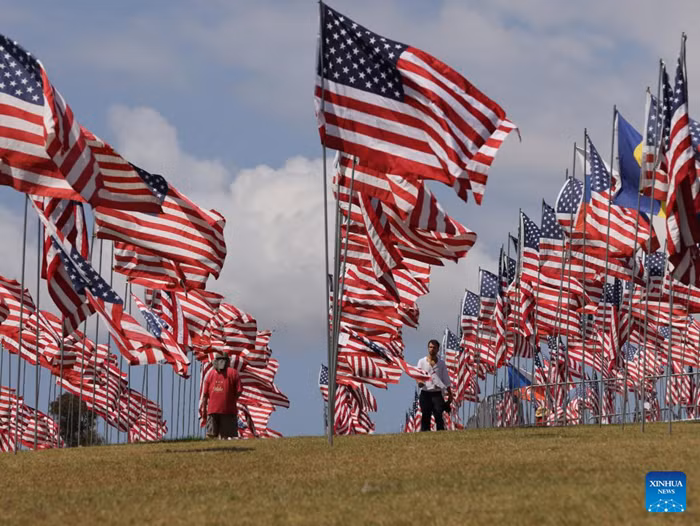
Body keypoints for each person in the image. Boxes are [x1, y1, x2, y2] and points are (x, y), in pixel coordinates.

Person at [202, 353, 243, 440]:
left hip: (213, 410)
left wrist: (204, 411)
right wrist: (232, 400)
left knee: (211, 436)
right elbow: (239, 391)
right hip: (228, 410)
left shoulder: (210, 374)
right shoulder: (233, 373)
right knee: (227, 436)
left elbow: (205, 395)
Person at [416, 339, 452, 431]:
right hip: (425, 393)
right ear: (428, 348)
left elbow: (446, 380)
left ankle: (441, 432)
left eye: (434, 347)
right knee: (426, 415)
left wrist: (450, 394)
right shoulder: (421, 361)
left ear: (438, 349)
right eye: (430, 347)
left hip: (437, 393)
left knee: (438, 414)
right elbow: (418, 375)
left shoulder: (441, 363)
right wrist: (419, 382)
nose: (432, 349)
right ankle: (425, 433)